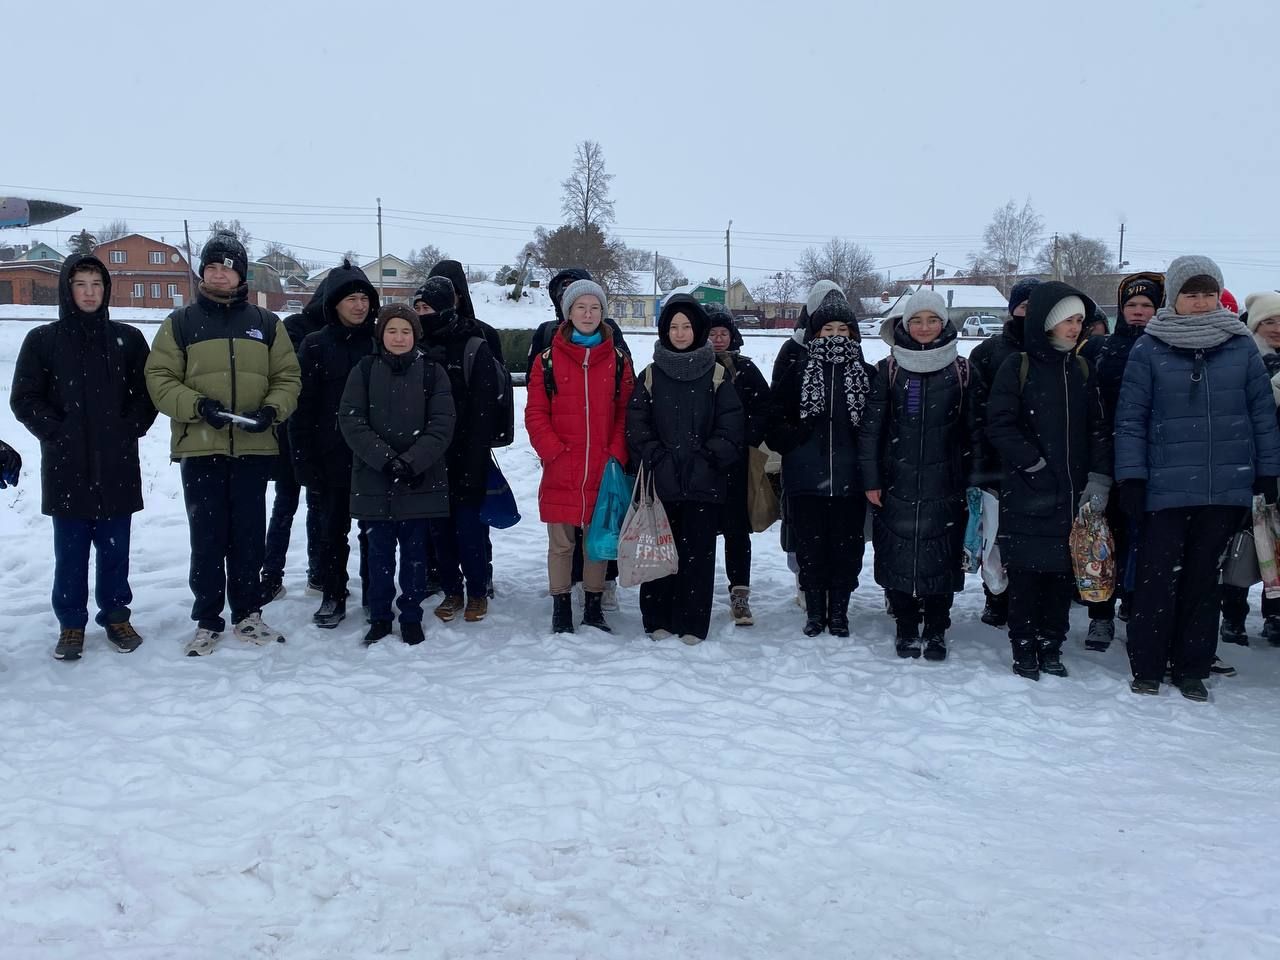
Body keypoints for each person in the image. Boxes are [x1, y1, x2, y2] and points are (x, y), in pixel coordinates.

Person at [1115, 256, 1280, 701]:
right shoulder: (1149, 347)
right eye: (1192, 293)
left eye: (1208, 293)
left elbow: (1262, 414)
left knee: (1203, 580)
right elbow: (1132, 419)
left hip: (1224, 486)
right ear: (1174, 297)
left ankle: (1193, 665)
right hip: (1163, 488)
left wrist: (1267, 471)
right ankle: (1148, 665)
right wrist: (1130, 476)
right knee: (1155, 579)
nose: (1201, 301)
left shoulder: (1240, 344)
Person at [144, 231, 301, 656]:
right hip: (201, 447)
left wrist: (272, 409)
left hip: (253, 448)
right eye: (212, 267)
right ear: (202, 273)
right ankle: (208, 619)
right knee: (208, 536)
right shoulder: (181, 323)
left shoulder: (267, 325)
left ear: (239, 274)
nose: (219, 274)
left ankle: (248, 614)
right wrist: (197, 406)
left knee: (249, 535)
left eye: (227, 267)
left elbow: (288, 377)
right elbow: (159, 379)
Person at [10, 253, 157, 660]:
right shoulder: (43, 340)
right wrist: (56, 431)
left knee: (115, 549)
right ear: (67, 290)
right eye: (81, 285)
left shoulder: (127, 338)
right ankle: (71, 624)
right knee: (70, 553)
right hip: (67, 466)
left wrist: (128, 428)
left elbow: (146, 396)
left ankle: (116, 615)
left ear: (106, 290)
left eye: (96, 284)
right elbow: (25, 398)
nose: (89, 293)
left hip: (116, 464)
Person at [986, 282, 1112, 681]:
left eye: (1079, 321)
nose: (1075, 328)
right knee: (1025, 576)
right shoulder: (1017, 366)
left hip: (1073, 497)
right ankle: (1024, 646)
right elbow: (1000, 425)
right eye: (1067, 321)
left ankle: (1051, 645)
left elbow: (1098, 430)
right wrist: (1034, 465)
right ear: (1046, 324)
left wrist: (1098, 479)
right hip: (1027, 492)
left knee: (1061, 577)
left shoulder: (1081, 368)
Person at [860, 289, 971, 660]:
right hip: (896, 483)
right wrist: (872, 478)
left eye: (933, 320)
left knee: (943, 556)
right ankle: (906, 625)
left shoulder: (962, 369)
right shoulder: (889, 369)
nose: (925, 327)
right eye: (917, 320)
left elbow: (974, 430)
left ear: (944, 324)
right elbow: (871, 430)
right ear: (905, 324)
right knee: (897, 554)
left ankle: (937, 628)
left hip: (947, 484)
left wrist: (971, 478)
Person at [627, 294, 744, 644]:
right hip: (661, 482)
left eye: (687, 326)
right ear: (665, 331)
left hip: (703, 483)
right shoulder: (650, 374)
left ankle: (693, 622)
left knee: (698, 556)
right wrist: (656, 457)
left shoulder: (718, 373)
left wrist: (708, 458)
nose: (680, 333)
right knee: (659, 553)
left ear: (698, 330)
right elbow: (637, 424)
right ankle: (657, 618)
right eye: (674, 326)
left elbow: (732, 426)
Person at [339, 304, 455, 647]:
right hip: (375, 479)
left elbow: (442, 424)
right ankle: (379, 616)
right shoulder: (364, 370)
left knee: (416, 555)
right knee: (378, 555)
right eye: (392, 331)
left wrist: (411, 462)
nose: (399, 337)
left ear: (415, 335)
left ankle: (410, 615)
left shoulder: (433, 373)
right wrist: (386, 460)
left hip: (419, 480)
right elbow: (351, 419)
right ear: (381, 334)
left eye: (406, 331)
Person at [525, 279, 634, 633]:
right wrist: (552, 451)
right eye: (580, 307)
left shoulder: (617, 360)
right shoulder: (547, 360)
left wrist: (615, 452)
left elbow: (624, 412)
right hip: (562, 464)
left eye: (595, 308)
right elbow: (535, 411)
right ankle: (560, 610)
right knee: (561, 544)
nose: (588, 314)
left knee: (596, 542)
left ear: (603, 313)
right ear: (568, 312)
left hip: (603, 466)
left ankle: (592, 607)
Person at [767, 283, 875, 638]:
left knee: (846, 549)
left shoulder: (867, 374)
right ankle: (814, 611)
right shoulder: (798, 370)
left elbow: (879, 427)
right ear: (814, 332)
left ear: (854, 333)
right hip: (806, 478)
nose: (835, 335)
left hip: (850, 478)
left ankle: (840, 612)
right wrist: (796, 437)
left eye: (843, 329)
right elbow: (773, 420)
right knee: (810, 547)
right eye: (828, 329)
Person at [289, 260, 380, 629]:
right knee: (331, 530)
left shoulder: (379, 342)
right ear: (334, 303)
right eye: (351, 299)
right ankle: (333, 593)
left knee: (373, 531)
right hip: (329, 455)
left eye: (364, 298)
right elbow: (301, 407)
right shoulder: (314, 345)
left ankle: (376, 592)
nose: (359, 306)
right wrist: (303, 458)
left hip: (374, 455)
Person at [416, 275, 502, 622]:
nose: (422, 315)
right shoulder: (415, 347)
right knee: (439, 533)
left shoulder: (472, 345)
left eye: (428, 308)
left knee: (469, 530)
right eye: (418, 308)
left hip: (467, 455)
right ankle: (451, 589)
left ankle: (478, 590)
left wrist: (475, 460)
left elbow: (484, 410)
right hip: (429, 458)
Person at [1084, 272, 1163, 649]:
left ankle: (1134, 604)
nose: (1138, 312)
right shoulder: (1098, 349)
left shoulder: (1167, 347)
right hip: (1106, 457)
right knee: (1104, 539)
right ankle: (1100, 615)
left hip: (1155, 461)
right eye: (1131, 306)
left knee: (1144, 539)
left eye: (1147, 306)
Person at [968, 277, 1040, 628]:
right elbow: (975, 411)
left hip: (1042, 460)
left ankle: (1027, 599)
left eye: (1036, 306)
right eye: (1024, 306)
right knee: (994, 535)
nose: (1029, 313)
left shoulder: (1056, 349)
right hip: (997, 460)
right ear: (1013, 309)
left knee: (1032, 536)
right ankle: (995, 597)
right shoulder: (989, 352)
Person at [261, 274, 333, 603]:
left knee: (316, 506)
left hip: (320, 434)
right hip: (291, 429)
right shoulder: (296, 326)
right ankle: (271, 575)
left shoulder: (340, 331)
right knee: (285, 504)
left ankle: (317, 573)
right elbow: (283, 374)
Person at [1220, 290, 1280, 647]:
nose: (1276, 329)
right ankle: (1234, 616)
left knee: (1277, 546)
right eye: (1269, 321)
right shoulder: (1245, 358)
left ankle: (1274, 615)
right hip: (1249, 462)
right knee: (1242, 542)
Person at [705, 303, 771, 626]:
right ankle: (696, 590)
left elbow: (764, 409)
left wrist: (746, 438)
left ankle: (740, 594)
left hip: (737, 464)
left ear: (732, 336)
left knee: (736, 531)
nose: (718, 339)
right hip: (701, 464)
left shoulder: (745, 369)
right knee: (698, 532)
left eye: (723, 333)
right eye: (712, 333)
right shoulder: (693, 366)